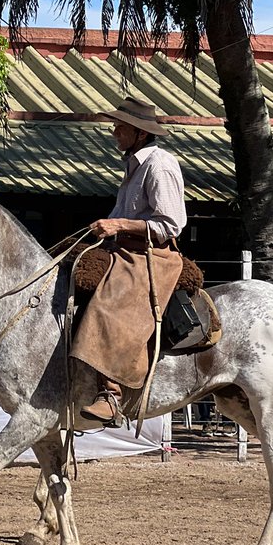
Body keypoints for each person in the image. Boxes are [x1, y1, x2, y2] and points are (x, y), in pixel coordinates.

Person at [75, 96, 187, 426]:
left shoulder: (159, 165)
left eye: (120, 127)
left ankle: (111, 395)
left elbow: (170, 225)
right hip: (124, 250)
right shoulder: (133, 165)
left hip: (152, 256)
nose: (114, 132)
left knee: (108, 303)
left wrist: (120, 225)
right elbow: (121, 215)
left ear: (139, 133)